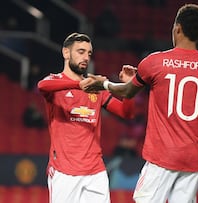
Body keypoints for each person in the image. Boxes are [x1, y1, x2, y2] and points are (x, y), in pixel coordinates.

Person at [80, 4, 198, 203]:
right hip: (191, 161)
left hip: (161, 158)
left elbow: (126, 92)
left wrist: (103, 83)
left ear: (177, 28)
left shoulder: (154, 62)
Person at [37, 32, 136, 203]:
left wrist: (130, 87)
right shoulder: (55, 81)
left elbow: (125, 113)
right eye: (80, 51)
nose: (86, 57)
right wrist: (79, 85)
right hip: (64, 171)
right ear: (66, 53)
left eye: (89, 53)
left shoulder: (96, 88)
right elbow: (42, 86)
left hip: (95, 172)